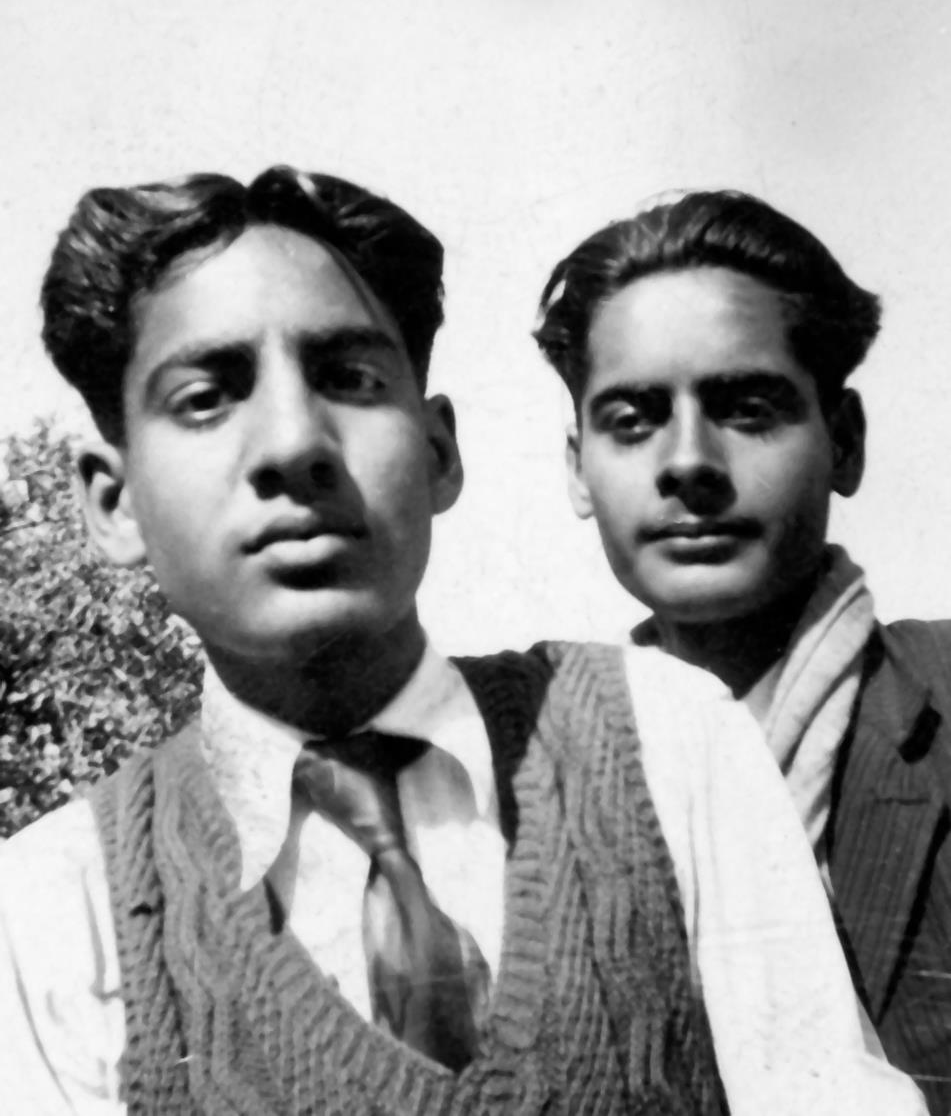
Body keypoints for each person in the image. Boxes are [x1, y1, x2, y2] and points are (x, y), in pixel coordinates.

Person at [0, 169, 923, 1116]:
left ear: (439, 450)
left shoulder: (667, 739)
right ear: (114, 501)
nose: (293, 443)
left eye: (350, 379)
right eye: (205, 397)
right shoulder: (57, 912)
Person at [534, 188, 951, 1114]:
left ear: (843, 440)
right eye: (632, 418)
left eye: (746, 407)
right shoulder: (533, 780)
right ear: (576, 466)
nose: (687, 459)